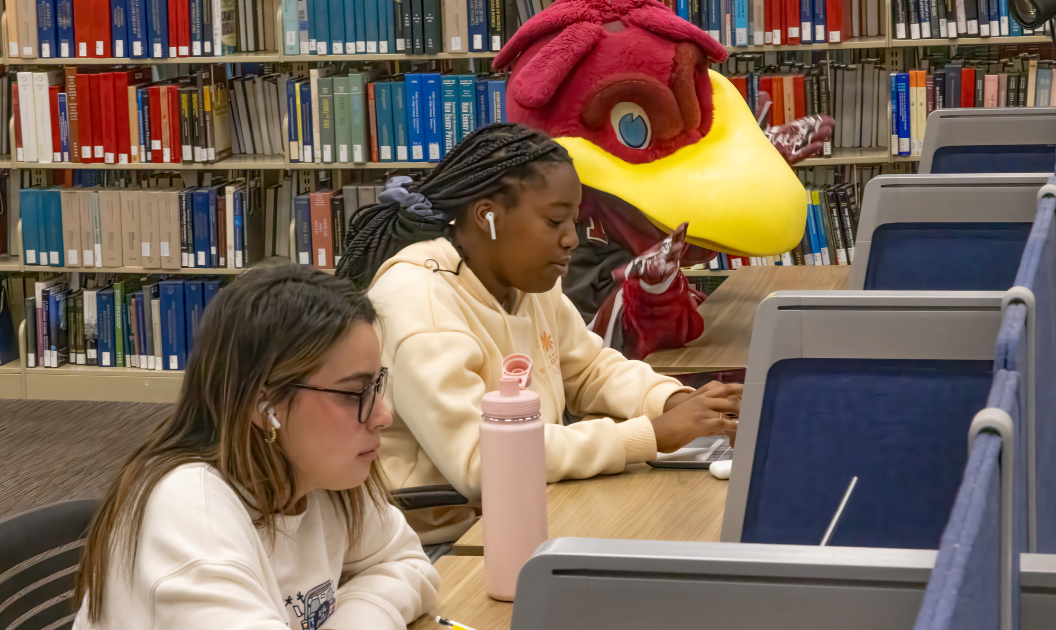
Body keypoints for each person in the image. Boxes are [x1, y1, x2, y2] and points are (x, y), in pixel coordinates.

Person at [337, 123, 742, 545]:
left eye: (573, 220)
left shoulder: (525, 280)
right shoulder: (419, 302)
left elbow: (589, 369)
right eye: (554, 221)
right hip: (447, 543)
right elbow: (482, 463)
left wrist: (672, 401)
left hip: (530, 508)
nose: (571, 238)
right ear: (488, 217)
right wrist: (650, 436)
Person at [73, 266, 438, 630]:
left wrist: (359, 616)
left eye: (376, 385)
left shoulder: (319, 475)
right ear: (264, 405)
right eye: (355, 392)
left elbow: (405, 560)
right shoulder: (189, 513)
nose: (383, 415)